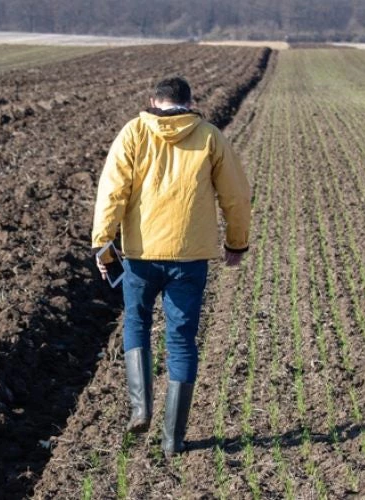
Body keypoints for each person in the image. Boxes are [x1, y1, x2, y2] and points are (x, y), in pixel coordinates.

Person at [92, 76, 252, 457]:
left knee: (136, 322)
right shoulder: (209, 136)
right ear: (190, 101)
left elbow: (112, 190)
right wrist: (236, 242)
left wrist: (103, 244)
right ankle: (173, 438)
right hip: (189, 257)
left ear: (153, 101)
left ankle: (140, 408)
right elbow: (236, 195)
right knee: (181, 341)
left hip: (141, 254)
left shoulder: (133, 133)